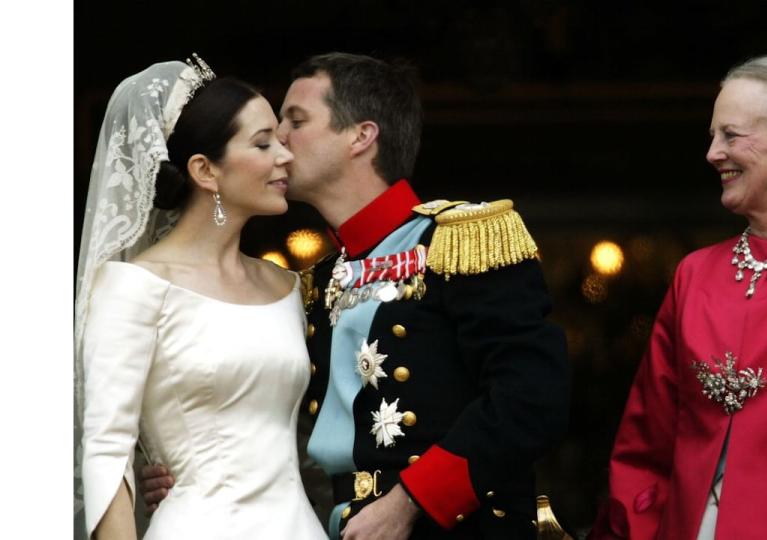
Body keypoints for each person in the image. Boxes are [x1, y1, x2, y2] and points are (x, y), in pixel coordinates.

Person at [144, 52, 572, 540]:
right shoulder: (315, 279)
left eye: (296, 120)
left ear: (361, 136)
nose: (278, 136)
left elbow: (533, 396)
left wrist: (410, 503)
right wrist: (195, 475)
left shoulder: (461, 240)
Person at [590, 31, 767, 539]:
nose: (712, 153)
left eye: (731, 135)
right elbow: (645, 443)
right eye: (712, 136)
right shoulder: (695, 275)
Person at [74, 57, 327, 539]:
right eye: (262, 143)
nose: (285, 156)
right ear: (205, 170)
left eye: (280, 137)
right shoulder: (133, 287)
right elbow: (108, 451)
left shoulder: (286, 286)